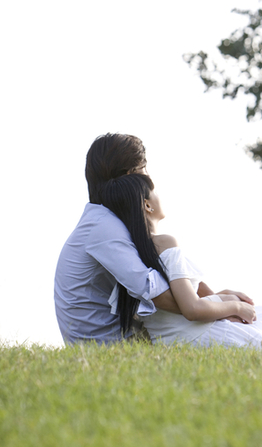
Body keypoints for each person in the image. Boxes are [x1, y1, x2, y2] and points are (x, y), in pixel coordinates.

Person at [101, 173, 262, 349]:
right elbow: (192, 309)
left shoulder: (131, 256)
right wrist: (236, 306)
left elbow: (183, 300)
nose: (160, 195)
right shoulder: (165, 244)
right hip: (200, 334)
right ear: (147, 205)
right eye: (155, 192)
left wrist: (221, 297)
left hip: (176, 338)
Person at [54, 133, 177, 344]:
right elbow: (156, 294)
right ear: (131, 176)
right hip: (106, 347)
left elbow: (167, 277)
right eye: (143, 171)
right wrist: (214, 305)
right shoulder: (104, 227)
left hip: (118, 341)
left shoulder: (106, 221)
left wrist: (214, 299)